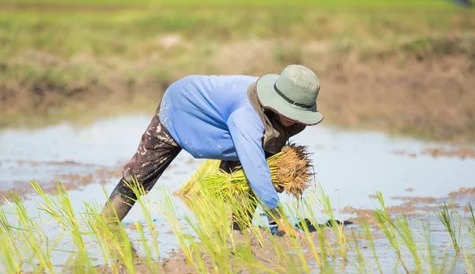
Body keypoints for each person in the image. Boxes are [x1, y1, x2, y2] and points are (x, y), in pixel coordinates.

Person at [102, 65, 323, 237]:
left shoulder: (293, 120)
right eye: (290, 113)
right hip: (181, 105)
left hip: (222, 121)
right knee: (141, 174)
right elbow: (256, 169)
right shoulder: (246, 116)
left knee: (243, 175)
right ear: (276, 102)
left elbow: (262, 164)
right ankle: (106, 223)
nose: (294, 120)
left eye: (298, 115)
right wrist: (279, 218)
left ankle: (239, 231)